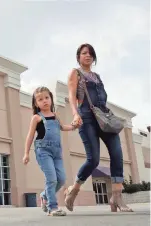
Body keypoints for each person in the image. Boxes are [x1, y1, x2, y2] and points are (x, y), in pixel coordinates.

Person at [64, 43, 133, 212]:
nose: (87, 56)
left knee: (117, 153)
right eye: (84, 53)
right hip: (86, 118)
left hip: (104, 118)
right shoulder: (76, 73)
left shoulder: (97, 76)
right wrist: (75, 114)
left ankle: (116, 196)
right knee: (93, 159)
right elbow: (72, 96)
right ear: (78, 57)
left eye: (90, 53)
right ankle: (74, 189)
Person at [23, 86, 76, 216]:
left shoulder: (55, 116)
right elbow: (30, 136)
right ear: (36, 103)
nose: (45, 101)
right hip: (43, 151)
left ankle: (44, 195)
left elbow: (63, 127)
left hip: (57, 152)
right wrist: (26, 153)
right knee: (51, 179)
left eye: (47, 98)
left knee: (62, 179)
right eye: (40, 99)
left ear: (51, 99)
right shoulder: (36, 118)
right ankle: (52, 207)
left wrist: (75, 126)